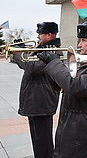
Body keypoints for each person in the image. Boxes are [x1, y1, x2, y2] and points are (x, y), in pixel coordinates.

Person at [37, 21, 87, 157]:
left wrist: (54, 63)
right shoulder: (85, 63)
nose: (79, 45)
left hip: (86, 128)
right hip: (71, 124)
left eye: (84, 40)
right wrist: (49, 66)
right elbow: (62, 86)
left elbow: (75, 87)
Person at [12, 22, 61, 158]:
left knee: (43, 142)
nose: (37, 36)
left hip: (42, 101)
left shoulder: (53, 50)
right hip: (35, 100)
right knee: (37, 140)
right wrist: (20, 51)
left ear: (49, 35)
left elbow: (32, 68)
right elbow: (25, 64)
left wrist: (17, 52)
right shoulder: (41, 47)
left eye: (40, 33)